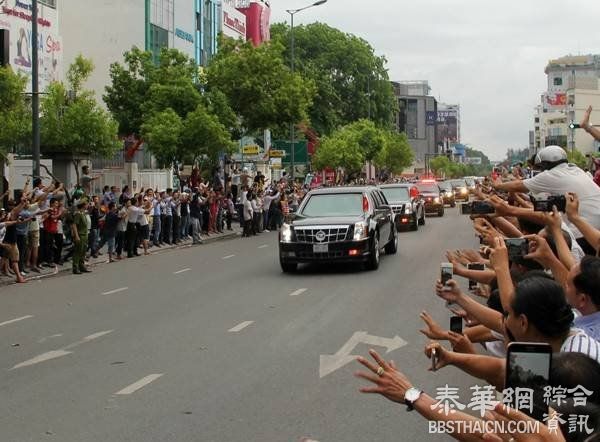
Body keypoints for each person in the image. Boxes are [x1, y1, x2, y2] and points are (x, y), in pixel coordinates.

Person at [493, 145, 600, 255]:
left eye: (540, 168)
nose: (540, 171)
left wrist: (498, 185)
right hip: (594, 231)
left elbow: (518, 185)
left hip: (581, 232)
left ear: (545, 165)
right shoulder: (576, 170)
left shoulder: (550, 175)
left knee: (545, 243)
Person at [71, 201, 91, 274]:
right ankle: (75, 267)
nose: (88, 205)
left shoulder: (83, 213)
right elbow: (74, 225)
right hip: (80, 235)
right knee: (78, 251)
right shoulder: (78, 214)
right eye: (87, 204)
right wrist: (76, 236)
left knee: (83, 251)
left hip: (85, 234)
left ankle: (82, 266)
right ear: (83, 206)